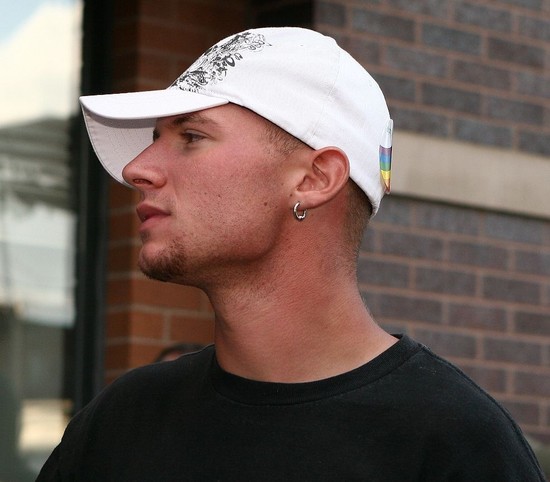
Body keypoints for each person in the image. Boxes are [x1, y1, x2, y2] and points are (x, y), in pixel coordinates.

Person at [37, 27, 544, 481]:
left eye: (191, 136)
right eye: (154, 139)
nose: (137, 169)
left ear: (314, 179)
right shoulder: (121, 422)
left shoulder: (455, 445)